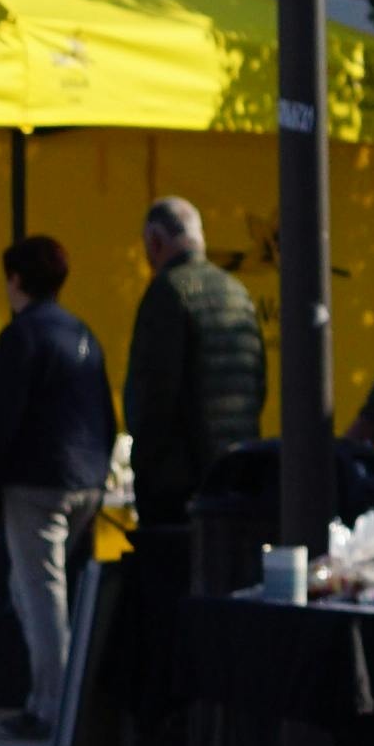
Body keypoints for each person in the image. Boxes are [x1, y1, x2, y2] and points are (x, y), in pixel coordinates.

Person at [0, 230, 119, 745]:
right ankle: (46, 701)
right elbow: (104, 414)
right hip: (85, 482)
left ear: (16, 280)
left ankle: (53, 709)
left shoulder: (23, 336)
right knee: (35, 588)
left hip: (37, 484)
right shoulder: (81, 333)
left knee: (41, 594)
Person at [124, 193, 266, 521]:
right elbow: (258, 382)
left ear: (155, 241)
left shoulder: (167, 292)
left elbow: (156, 394)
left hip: (179, 480)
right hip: (237, 469)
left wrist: (145, 463)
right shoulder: (237, 290)